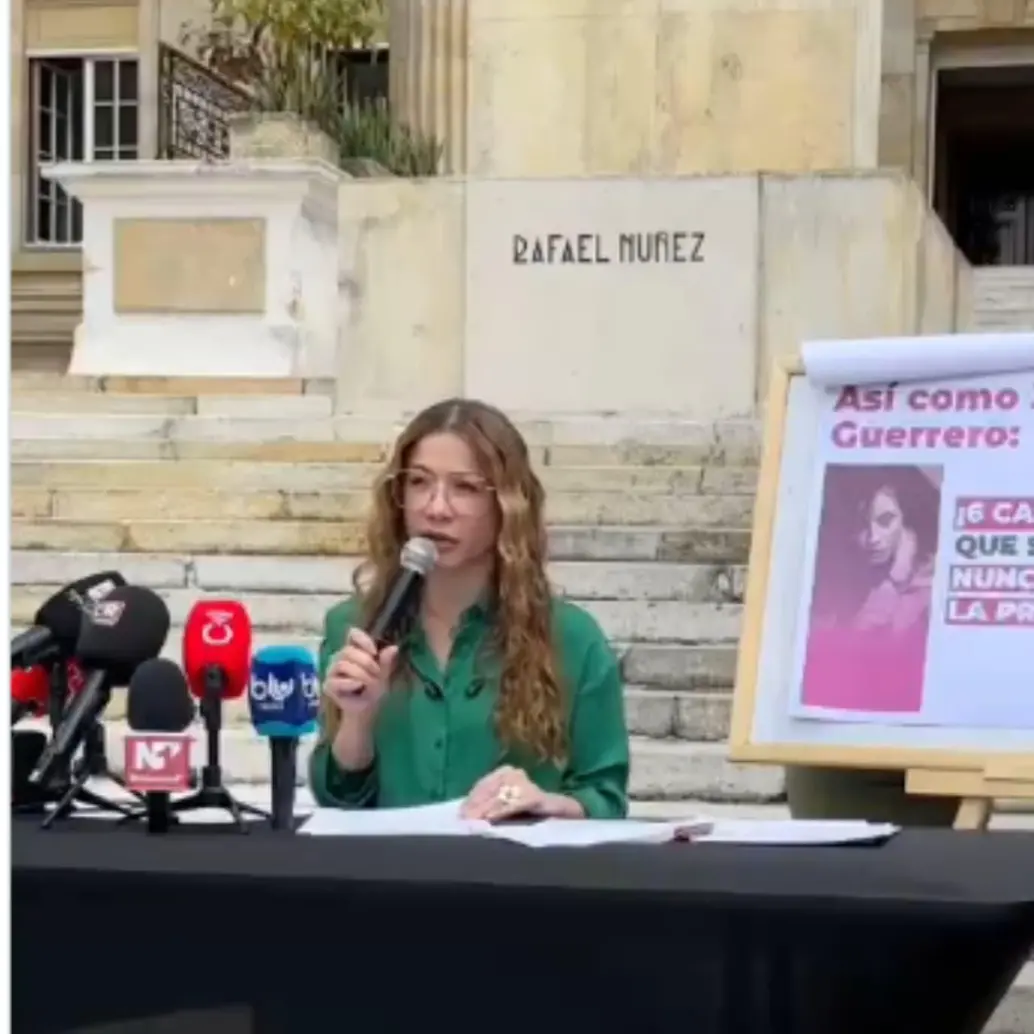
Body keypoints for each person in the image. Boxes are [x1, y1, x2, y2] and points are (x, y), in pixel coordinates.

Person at [309, 397, 630, 821]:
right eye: (419, 482)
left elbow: (605, 799)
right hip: (389, 879)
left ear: (508, 506)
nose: (436, 508)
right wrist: (357, 720)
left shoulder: (571, 638)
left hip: (513, 879)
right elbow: (339, 801)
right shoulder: (355, 626)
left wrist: (545, 803)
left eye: (465, 487)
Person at [789, 465, 958, 827]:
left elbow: (880, 643)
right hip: (831, 756)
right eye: (860, 524)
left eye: (886, 521)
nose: (872, 537)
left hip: (920, 756)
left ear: (907, 524)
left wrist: (896, 580)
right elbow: (840, 650)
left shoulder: (930, 579)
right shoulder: (831, 574)